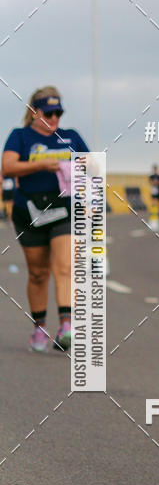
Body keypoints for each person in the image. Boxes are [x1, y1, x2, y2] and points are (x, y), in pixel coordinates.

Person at [1, 86, 89, 351]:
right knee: (38, 273)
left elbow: (91, 165)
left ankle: (66, 326)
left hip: (64, 208)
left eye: (58, 113)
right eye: (48, 113)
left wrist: (82, 168)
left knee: (65, 267)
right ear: (34, 112)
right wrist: (42, 164)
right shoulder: (20, 136)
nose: (54, 119)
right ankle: (39, 329)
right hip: (29, 210)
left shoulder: (71, 137)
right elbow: (8, 166)